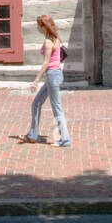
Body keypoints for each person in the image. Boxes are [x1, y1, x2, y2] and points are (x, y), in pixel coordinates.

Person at [23, 14, 71, 147]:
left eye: (38, 25)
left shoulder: (49, 41)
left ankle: (65, 140)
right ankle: (33, 135)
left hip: (52, 76)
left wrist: (36, 80)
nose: (37, 28)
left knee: (57, 108)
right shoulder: (56, 38)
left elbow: (46, 62)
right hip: (55, 75)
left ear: (42, 26)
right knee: (36, 103)